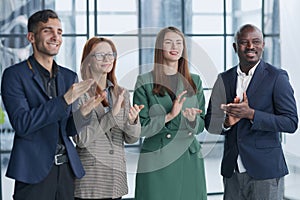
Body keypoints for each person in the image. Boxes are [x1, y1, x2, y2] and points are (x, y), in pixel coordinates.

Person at [1, 9, 96, 200]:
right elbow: (22, 123)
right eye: (48, 31)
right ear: (31, 37)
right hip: (32, 173)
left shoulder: (69, 76)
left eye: (59, 32)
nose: (56, 37)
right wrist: (64, 101)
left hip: (67, 171)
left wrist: (83, 114)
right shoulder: (14, 75)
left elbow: (66, 129)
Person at [205, 24, 298, 200]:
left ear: (263, 45)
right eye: (243, 42)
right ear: (235, 47)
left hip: (266, 171)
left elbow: (291, 122)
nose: (250, 46)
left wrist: (251, 114)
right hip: (232, 171)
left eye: (256, 42)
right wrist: (226, 122)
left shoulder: (277, 77)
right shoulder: (224, 79)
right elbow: (209, 123)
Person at [133, 26, 207, 200]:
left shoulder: (194, 81)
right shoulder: (145, 81)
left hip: (189, 157)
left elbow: (202, 123)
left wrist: (192, 121)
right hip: (157, 158)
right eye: (168, 42)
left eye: (179, 43)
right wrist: (169, 116)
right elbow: (140, 128)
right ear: (160, 48)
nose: (175, 46)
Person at [72, 37, 144, 200]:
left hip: (115, 179)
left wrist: (132, 122)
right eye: (99, 55)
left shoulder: (121, 92)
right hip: (91, 179)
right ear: (87, 61)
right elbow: (81, 140)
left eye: (110, 54)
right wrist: (112, 116)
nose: (107, 59)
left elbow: (131, 139)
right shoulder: (78, 93)